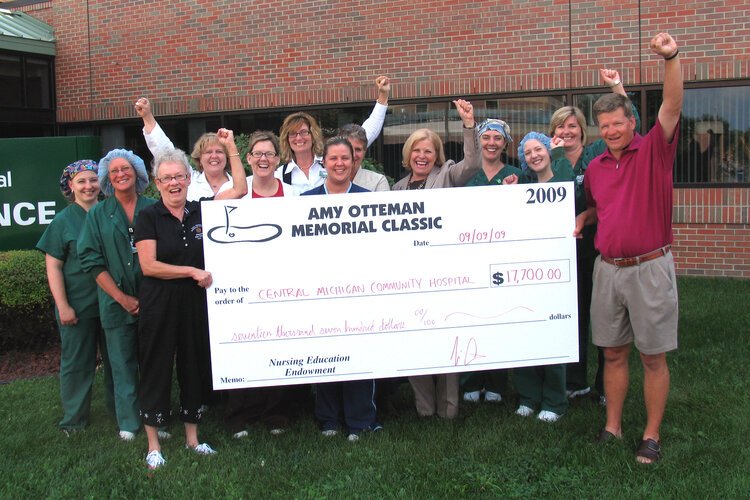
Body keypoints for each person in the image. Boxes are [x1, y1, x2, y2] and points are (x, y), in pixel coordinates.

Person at [575, 33, 683, 464]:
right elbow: (606, 207)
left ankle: (651, 435)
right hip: (609, 270)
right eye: (604, 126)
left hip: (649, 268)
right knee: (613, 352)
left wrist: (671, 59)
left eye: (618, 123)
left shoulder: (656, 149)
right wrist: (586, 218)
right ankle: (612, 426)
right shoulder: (597, 166)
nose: (612, 131)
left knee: (651, 356)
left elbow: (671, 105)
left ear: (632, 124)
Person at [134, 129, 248, 469]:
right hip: (159, 304)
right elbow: (149, 265)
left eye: (179, 177)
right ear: (157, 183)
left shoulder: (202, 210)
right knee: (156, 367)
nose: (174, 184)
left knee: (192, 366)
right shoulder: (148, 216)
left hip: (193, 304)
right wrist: (191, 272)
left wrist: (230, 147)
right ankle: (153, 443)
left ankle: (192, 438)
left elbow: (240, 189)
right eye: (166, 178)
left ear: (188, 179)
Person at [548, 69, 640, 405]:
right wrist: (554, 157)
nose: (566, 131)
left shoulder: (600, 151)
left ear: (582, 130)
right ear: (552, 132)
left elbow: (634, 124)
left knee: (604, 320)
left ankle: (604, 385)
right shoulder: (544, 159)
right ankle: (574, 383)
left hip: (598, 249)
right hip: (561, 253)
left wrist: (616, 85)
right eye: (560, 126)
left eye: (572, 126)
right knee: (572, 318)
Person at [392, 99, 478, 418]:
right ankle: (424, 409)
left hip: (443, 275)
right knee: (417, 343)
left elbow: (473, 164)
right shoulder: (396, 189)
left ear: (436, 155)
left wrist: (469, 125)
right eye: (417, 150)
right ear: (409, 155)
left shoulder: (449, 176)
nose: (422, 156)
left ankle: (449, 409)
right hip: (409, 278)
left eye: (428, 151)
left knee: (446, 342)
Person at [301, 137, 378, 440]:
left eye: (345, 158)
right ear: (324, 162)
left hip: (360, 290)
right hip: (320, 291)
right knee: (326, 354)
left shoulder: (367, 198)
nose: (340, 164)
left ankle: (361, 420)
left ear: (353, 161)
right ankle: (329, 420)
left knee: (360, 354)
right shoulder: (306, 201)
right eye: (333, 158)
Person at [77, 149, 156, 442]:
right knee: (122, 364)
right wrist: (122, 298)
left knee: (153, 362)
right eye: (114, 171)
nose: (121, 174)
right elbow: (91, 260)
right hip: (115, 302)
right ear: (107, 179)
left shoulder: (152, 207)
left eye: (126, 169)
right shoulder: (99, 213)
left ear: (137, 173)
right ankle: (129, 421)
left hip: (153, 299)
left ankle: (155, 416)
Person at [224, 131, 296, 439]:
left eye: (270, 154)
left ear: (279, 160)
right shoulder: (235, 191)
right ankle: (241, 414)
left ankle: (276, 412)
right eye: (258, 154)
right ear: (249, 159)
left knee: (278, 343)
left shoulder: (293, 195)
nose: (264, 159)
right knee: (245, 346)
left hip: (281, 281)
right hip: (242, 282)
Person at [36, 160, 107, 434]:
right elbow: (53, 265)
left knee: (118, 362)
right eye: (81, 181)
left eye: (93, 179)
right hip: (77, 305)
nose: (88, 186)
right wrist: (63, 305)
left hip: (110, 302)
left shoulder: (107, 213)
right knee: (78, 363)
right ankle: (74, 420)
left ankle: (122, 413)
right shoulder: (63, 221)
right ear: (70, 186)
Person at [509, 132, 574, 422]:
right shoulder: (522, 188)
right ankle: (528, 396)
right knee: (523, 332)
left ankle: (554, 401)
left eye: (539, 149)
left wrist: (560, 155)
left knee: (552, 335)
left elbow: (566, 183)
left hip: (555, 269)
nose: (534, 155)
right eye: (528, 152)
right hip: (523, 270)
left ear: (549, 151)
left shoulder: (562, 178)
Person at [461, 118, 519, 404]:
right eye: (486, 137)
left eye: (498, 138)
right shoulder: (467, 176)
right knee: (472, 317)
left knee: (498, 318)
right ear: (478, 141)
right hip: (470, 257)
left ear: (506, 143)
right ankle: (471, 379)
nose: (492, 142)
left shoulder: (517, 175)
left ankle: (496, 380)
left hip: (503, 258)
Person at [278, 76, 391, 193]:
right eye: (292, 134)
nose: (298, 138)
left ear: (313, 134)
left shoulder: (332, 159)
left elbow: (366, 133)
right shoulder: (280, 175)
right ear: (286, 139)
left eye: (304, 132)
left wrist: (383, 96)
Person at [135, 97, 234, 201]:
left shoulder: (240, 184)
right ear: (199, 159)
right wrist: (147, 116)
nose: (214, 156)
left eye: (219, 151)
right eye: (208, 152)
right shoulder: (188, 180)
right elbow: (164, 149)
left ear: (227, 157)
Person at [243, 131, 296, 198]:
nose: (263, 158)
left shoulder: (292, 193)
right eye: (257, 153)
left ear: (277, 159)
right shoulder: (236, 192)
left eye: (269, 154)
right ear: (249, 158)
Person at [339, 123, 390, 192]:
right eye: (349, 148)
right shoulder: (324, 180)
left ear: (364, 152)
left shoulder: (378, 182)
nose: (353, 155)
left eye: (358, 150)